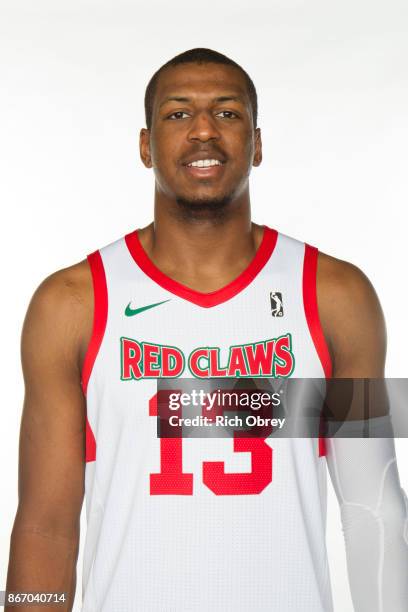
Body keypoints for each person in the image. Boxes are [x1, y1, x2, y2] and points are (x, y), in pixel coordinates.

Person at [6, 48, 408, 612]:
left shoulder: (336, 295)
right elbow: (45, 528)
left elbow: (374, 509)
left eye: (226, 112)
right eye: (177, 114)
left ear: (258, 144)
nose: (202, 130)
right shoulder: (71, 302)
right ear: (146, 147)